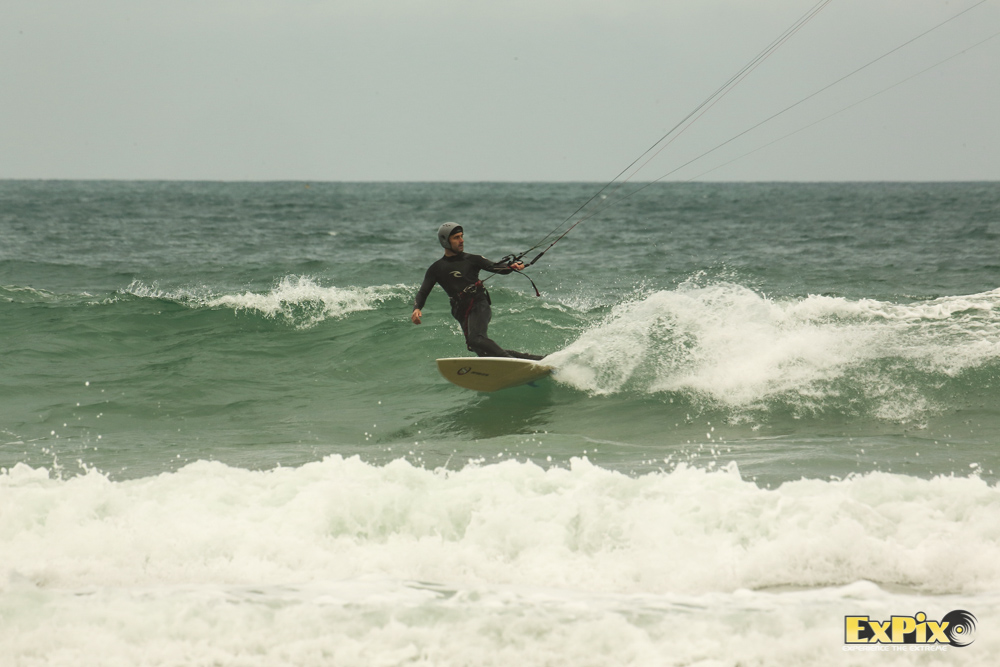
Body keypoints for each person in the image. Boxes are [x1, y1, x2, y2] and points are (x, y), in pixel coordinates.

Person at [412, 222, 544, 360]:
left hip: (478, 304)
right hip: (459, 310)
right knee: (478, 348)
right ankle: (535, 359)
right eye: (456, 237)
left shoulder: (472, 259)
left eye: (462, 236)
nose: (461, 240)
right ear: (445, 241)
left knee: (476, 338)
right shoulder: (436, 268)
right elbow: (423, 292)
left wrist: (512, 266)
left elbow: (496, 267)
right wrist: (417, 308)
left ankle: (510, 361)